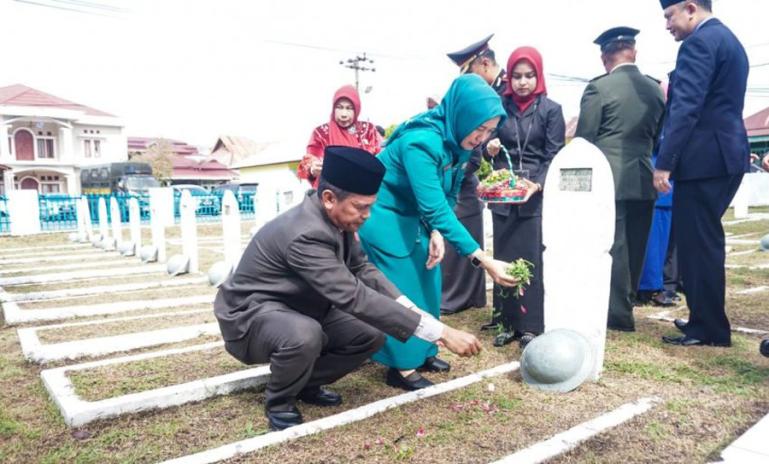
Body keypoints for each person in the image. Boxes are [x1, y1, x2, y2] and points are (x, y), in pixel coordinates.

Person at [214, 146, 483, 431]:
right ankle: (279, 400)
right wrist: (440, 332)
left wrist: (411, 308)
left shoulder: (337, 220)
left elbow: (362, 269)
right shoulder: (305, 233)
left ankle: (306, 382)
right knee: (305, 334)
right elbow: (353, 295)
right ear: (329, 198)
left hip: (298, 307)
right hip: (250, 318)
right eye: (361, 206)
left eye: (370, 206)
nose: (367, 215)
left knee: (370, 334)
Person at [358, 74, 517, 391]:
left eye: (489, 131)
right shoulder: (422, 143)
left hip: (416, 214)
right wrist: (484, 260)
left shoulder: (460, 143)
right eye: (479, 128)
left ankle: (425, 349)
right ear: (462, 115)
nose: (481, 138)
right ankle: (401, 365)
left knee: (430, 278)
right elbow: (435, 208)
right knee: (403, 285)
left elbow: (450, 195)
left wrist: (435, 234)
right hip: (384, 213)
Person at [655, 0, 750, 347]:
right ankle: (704, 320)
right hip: (724, 156)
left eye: (669, 15)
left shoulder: (699, 43)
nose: (667, 24)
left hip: (704, 160)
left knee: (699, 245)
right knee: (702, 242)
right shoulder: (728, 40)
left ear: (691, 8)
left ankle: (708, 328)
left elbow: (685, 108)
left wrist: (664, 162)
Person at [575, 26, 665, 332]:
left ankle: (614, 315)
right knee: (636, 247)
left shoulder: (598, 89)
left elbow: (584, 142)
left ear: (604, 57)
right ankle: (624, 305)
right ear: (633, 51)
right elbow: (657, 137)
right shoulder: (655, 89)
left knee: (610, 247)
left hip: (606, 180)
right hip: (643, 177)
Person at [480, 46, 565, 348]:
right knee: (503, 257)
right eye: (517, 76)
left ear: (538, 76)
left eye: (529, 76)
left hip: (534, 194)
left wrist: (537, 185)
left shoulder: (551, 110)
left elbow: (553, 155)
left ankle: (530, 325)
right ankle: (505, 321)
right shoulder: (498, 106)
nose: (523, 82)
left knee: (530, 259)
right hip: (503, 190)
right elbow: (483, 141)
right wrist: (487, 147)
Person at [439, 34, 506, 316]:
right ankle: (459, 297)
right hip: (470, 175)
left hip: (506, 179)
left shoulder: (503, 90)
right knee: (457, 244)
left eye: (470, 71)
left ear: (486, 63)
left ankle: (469, 296)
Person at [297, 85, 382, 188]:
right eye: (339, 107)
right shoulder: (321, 134)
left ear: (357, 109)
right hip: (333, 196)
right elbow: (311, 161)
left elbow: (380, 160)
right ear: (333, 108)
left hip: (365, 194)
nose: (344, 114)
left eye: (349, 108)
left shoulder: (368, 130)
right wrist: (312, 169)